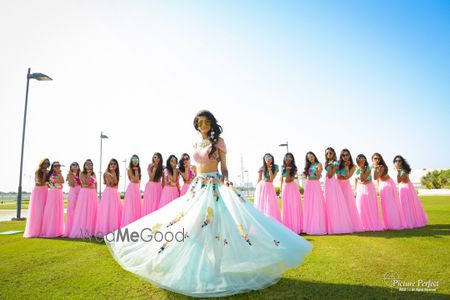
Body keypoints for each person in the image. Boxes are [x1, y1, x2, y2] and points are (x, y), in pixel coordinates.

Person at [105, 110, 312, 297]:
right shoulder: (195, 143)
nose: (203, 125)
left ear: (212, 123)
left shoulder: (219, 141)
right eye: (199, 122)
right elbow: (197, 166)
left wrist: (227, 178)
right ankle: (188, 265)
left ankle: (215, 269)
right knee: (190, 225)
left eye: (206, 121)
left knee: (216, 226)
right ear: (197, 125)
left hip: (215, 185)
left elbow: (225, 167)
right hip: (198, 187)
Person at [323, 147, 354, 234]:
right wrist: (329, 165)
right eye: (327, 154)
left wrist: (330, 165)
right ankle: (328, 226)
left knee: (334, 204)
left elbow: (330, 174)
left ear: (333, 154)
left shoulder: (336, 162)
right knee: (328, 203)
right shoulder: (326, 163)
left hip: (332, 182)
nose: (329, 155)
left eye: (330, 153)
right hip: (327, 183)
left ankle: (336, 226)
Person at [372, 153, 407, 230]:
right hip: (382, 186)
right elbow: (377, 180)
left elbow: (375, 177)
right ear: (372, 159)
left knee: (390, 206)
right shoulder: (373, 166)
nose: (377, 160)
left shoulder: (381, 167)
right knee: (385, 206)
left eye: (378, 159)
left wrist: (375, 168)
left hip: (387, 186)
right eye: (375, 158)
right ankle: (388, 224)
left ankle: (395, 224)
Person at [394, 155, 428, 228]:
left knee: (407, 206)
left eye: (399, 160)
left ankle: (409, 222)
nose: (397, 162)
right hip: (403, 188)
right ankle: (406, 221)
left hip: (406, 189)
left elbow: (398, 180)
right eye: (396, 161)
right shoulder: (401, 170)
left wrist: (398, 171)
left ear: (402, 162)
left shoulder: (403, 171)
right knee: (405, 206)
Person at [69, 159, 98, 238]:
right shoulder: (82, 173)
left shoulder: (94, 173)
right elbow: (86, 183)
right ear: (84, 166)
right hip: (85, 194)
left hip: (92, 194)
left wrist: (96, 192)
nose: (89, 166)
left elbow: (95, 184)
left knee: (92, 212)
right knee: (85, 211)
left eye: (91, 164)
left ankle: (92, 231)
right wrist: (88, 174)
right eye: (88, 164)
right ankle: (83, 231)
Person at [354, 154, 384, 231]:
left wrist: (360, 170)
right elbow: (356, 179)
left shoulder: (368, 168)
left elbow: (363, 178)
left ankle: (372, 224)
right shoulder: (356, 169)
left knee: (370, 206)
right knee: (361, 206)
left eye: (363, 159)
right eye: (360, 159)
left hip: (369, 187)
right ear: (358, 161)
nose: (362, 160)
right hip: (360, 188)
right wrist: (355, 190)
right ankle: (362, 225)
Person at [336, 149, 363, 232]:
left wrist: (346, 167)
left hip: (346, 185)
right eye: (343, 155)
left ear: (349, 155)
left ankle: (349, 225)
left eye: (347, 155)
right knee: (339, 205)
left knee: (347, 204)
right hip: (337, 185)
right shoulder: (337, 164)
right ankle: (339, 224)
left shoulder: (353, 166)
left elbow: (347, 176)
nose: (345, 157)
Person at [95, 159, 123, 237]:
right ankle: (105, 230)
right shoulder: (106, 173)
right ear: (109, 165)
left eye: (114, 164)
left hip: (115, 194)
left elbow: (116, 184)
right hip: (108, 194)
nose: (113, 165)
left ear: (117, 165)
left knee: (115, 212)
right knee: (107, 212)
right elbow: (112, 184)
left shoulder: (116, 173)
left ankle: (114, 231)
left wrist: (114, 173)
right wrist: (113, 173)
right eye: (111, 164)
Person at [24, 158, 50, 238]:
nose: (46, 164)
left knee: (45, 211)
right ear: (42, 163)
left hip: (45, 191)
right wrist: (45, 174)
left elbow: (49, 183)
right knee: (38, 211)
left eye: (47, 163)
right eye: (45, 163)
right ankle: (35, 231)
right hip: (38, 192)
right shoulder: (38, 171)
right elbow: (40, 182)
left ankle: (43, 230)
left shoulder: (48, 172)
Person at [302, 152, 327, 235]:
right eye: (308, 158)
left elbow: (318, 177)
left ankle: (317, 226)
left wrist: (317, 171)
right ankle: (309, 226)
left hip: (315, 184)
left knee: (316, 204)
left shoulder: (318, 164)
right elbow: (306, 177)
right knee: (309, 205)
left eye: (311, 156)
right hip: (308, 185)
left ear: (314, 156)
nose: (310, 158)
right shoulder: (308, 166)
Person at [279, 152, 303, 233]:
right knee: (286, 206)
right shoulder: (282, 168)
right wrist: (281, 190)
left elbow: (289, 179)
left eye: (290, 158)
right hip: (285, 188)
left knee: (293, 206)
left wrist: (288, 171)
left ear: (292, 160)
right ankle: (287, 227)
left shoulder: (294, 168)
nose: (288, 159)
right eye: (286, 158)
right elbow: (282, 180)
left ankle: (295, 227)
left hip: (292, 188)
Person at [255, 153, 282, 222]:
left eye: (269, 158)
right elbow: (259, 178)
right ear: (264, 160)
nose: (268, 159)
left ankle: (271, 221)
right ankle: (263, 221)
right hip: (261, 187)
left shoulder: (275, 167)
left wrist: (270, 169)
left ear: (272, 159)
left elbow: (272, 179)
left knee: (270, 204)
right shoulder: (262, 168)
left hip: (269, 186)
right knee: (261, 204)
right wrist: (256, 188)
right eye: (266, 158)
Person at [41, 161, 65, 237]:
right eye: (55, 166)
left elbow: (62, 181)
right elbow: (52, 182)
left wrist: (59, 174)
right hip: (53, 193)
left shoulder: (59, 174)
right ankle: (50, 230)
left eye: (58, 165)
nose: (57, 167)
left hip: (59, 193)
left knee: (58, 211)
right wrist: (53, 182)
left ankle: (58, 230)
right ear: (52, 167)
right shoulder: (50, 174)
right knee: (52, 211)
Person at [121, 154, 142, 226]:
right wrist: (136, 171)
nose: (135, 161)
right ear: (131, 161)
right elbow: (136, 180)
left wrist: (137, 171)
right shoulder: (129, 169)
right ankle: (129, 225)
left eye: (136, 160)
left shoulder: (139, 169)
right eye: (133, 160)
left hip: (137, 189)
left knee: (137, 207)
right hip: (131, 189)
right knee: (131, 207)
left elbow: (139, 182)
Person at [64, 162, 81, 237]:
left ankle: (79, 228)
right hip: (73, 192)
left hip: (80, 191)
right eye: (73, 165)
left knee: (79, 210)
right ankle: (71, 229)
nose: (75, 166)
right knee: (71, 210)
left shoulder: (81, 174)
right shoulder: (69, 175)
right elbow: (72, 184)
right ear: (70, 167)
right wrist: (72, 176)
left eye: (76, 164)